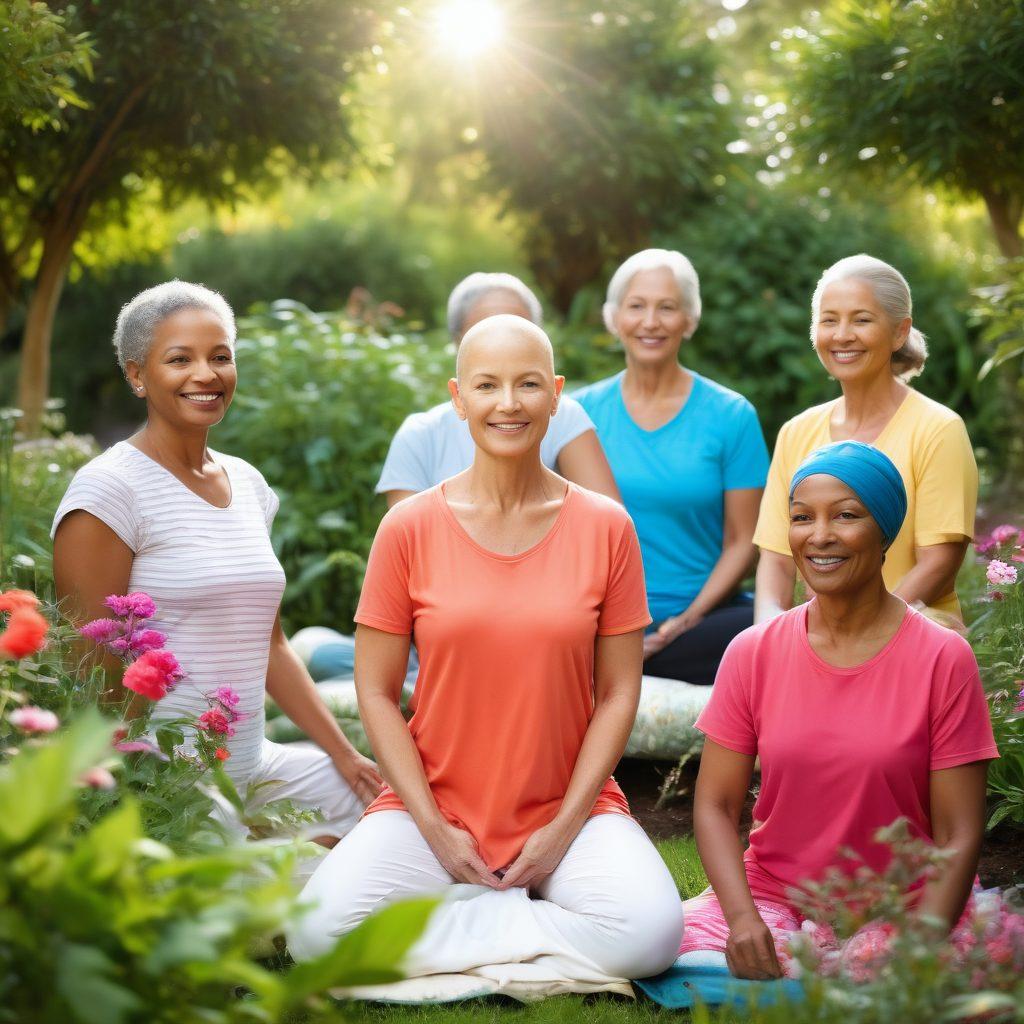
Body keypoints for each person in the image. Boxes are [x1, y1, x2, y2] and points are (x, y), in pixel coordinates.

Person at [287, 315, 684, 984]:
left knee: (652, 937)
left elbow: (619, 693)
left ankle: (468, 918)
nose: (508, 404)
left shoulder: (607, 528)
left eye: (528, 384)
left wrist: (561, 829)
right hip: (433, 808)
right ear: (457, 397)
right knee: (314, 936)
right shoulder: (406, 529)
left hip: (572, 807)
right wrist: (436, 834)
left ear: (556, 395)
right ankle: (524, 924)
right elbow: (377, 693)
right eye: (488, 385)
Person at [52, 280, 383, 842]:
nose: (205, 374)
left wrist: (347, 757)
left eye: (220, 357)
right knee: (264, 903)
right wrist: (136, 804)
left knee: (394, 815)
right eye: (179, 359)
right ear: (137, 375)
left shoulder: (249, 484)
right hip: (170, 778)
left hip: (256, 766)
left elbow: (271, 645)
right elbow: (90, 674)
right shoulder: (109, 491)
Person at [684, 441, 997, 979]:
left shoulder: (943, 658)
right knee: (658, 948)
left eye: (846, 516)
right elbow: (714, 804)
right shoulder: (753, 651)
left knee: (891, 984)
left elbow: (959, 832)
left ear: (884, 533)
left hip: (903, 907)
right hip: (774, 900)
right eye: (802, 518)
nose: (820, 535)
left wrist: (920, 945)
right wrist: (742, 920)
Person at [574, 249, 770, 686]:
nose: (651, 322)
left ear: (690, 319)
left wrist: (686, 619)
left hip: (702, 620)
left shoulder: (731, 415)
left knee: (761, 638)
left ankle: (618, 670)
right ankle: (612, 660)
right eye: (637, 306)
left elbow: (744, 541)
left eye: (667, 307)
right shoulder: (577, 414)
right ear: (614, 317)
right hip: (597, 619)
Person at [755, 254, 978, 625]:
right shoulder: (796, 432)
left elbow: (938, 564)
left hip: (911, 637)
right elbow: (776, 561)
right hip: (817, 640)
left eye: (861, 319)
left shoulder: (939, 429)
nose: (842, 335)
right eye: (829, 320)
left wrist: (851, 633)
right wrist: (770, 637)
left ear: (899, 332)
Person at [377, 272, 620, 506]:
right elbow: (413, 539)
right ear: (457, 342)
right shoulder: (420, 435)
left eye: (519, 330)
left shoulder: (564, 414)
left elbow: (607, 527)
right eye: (485, 331)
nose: (503, 341)